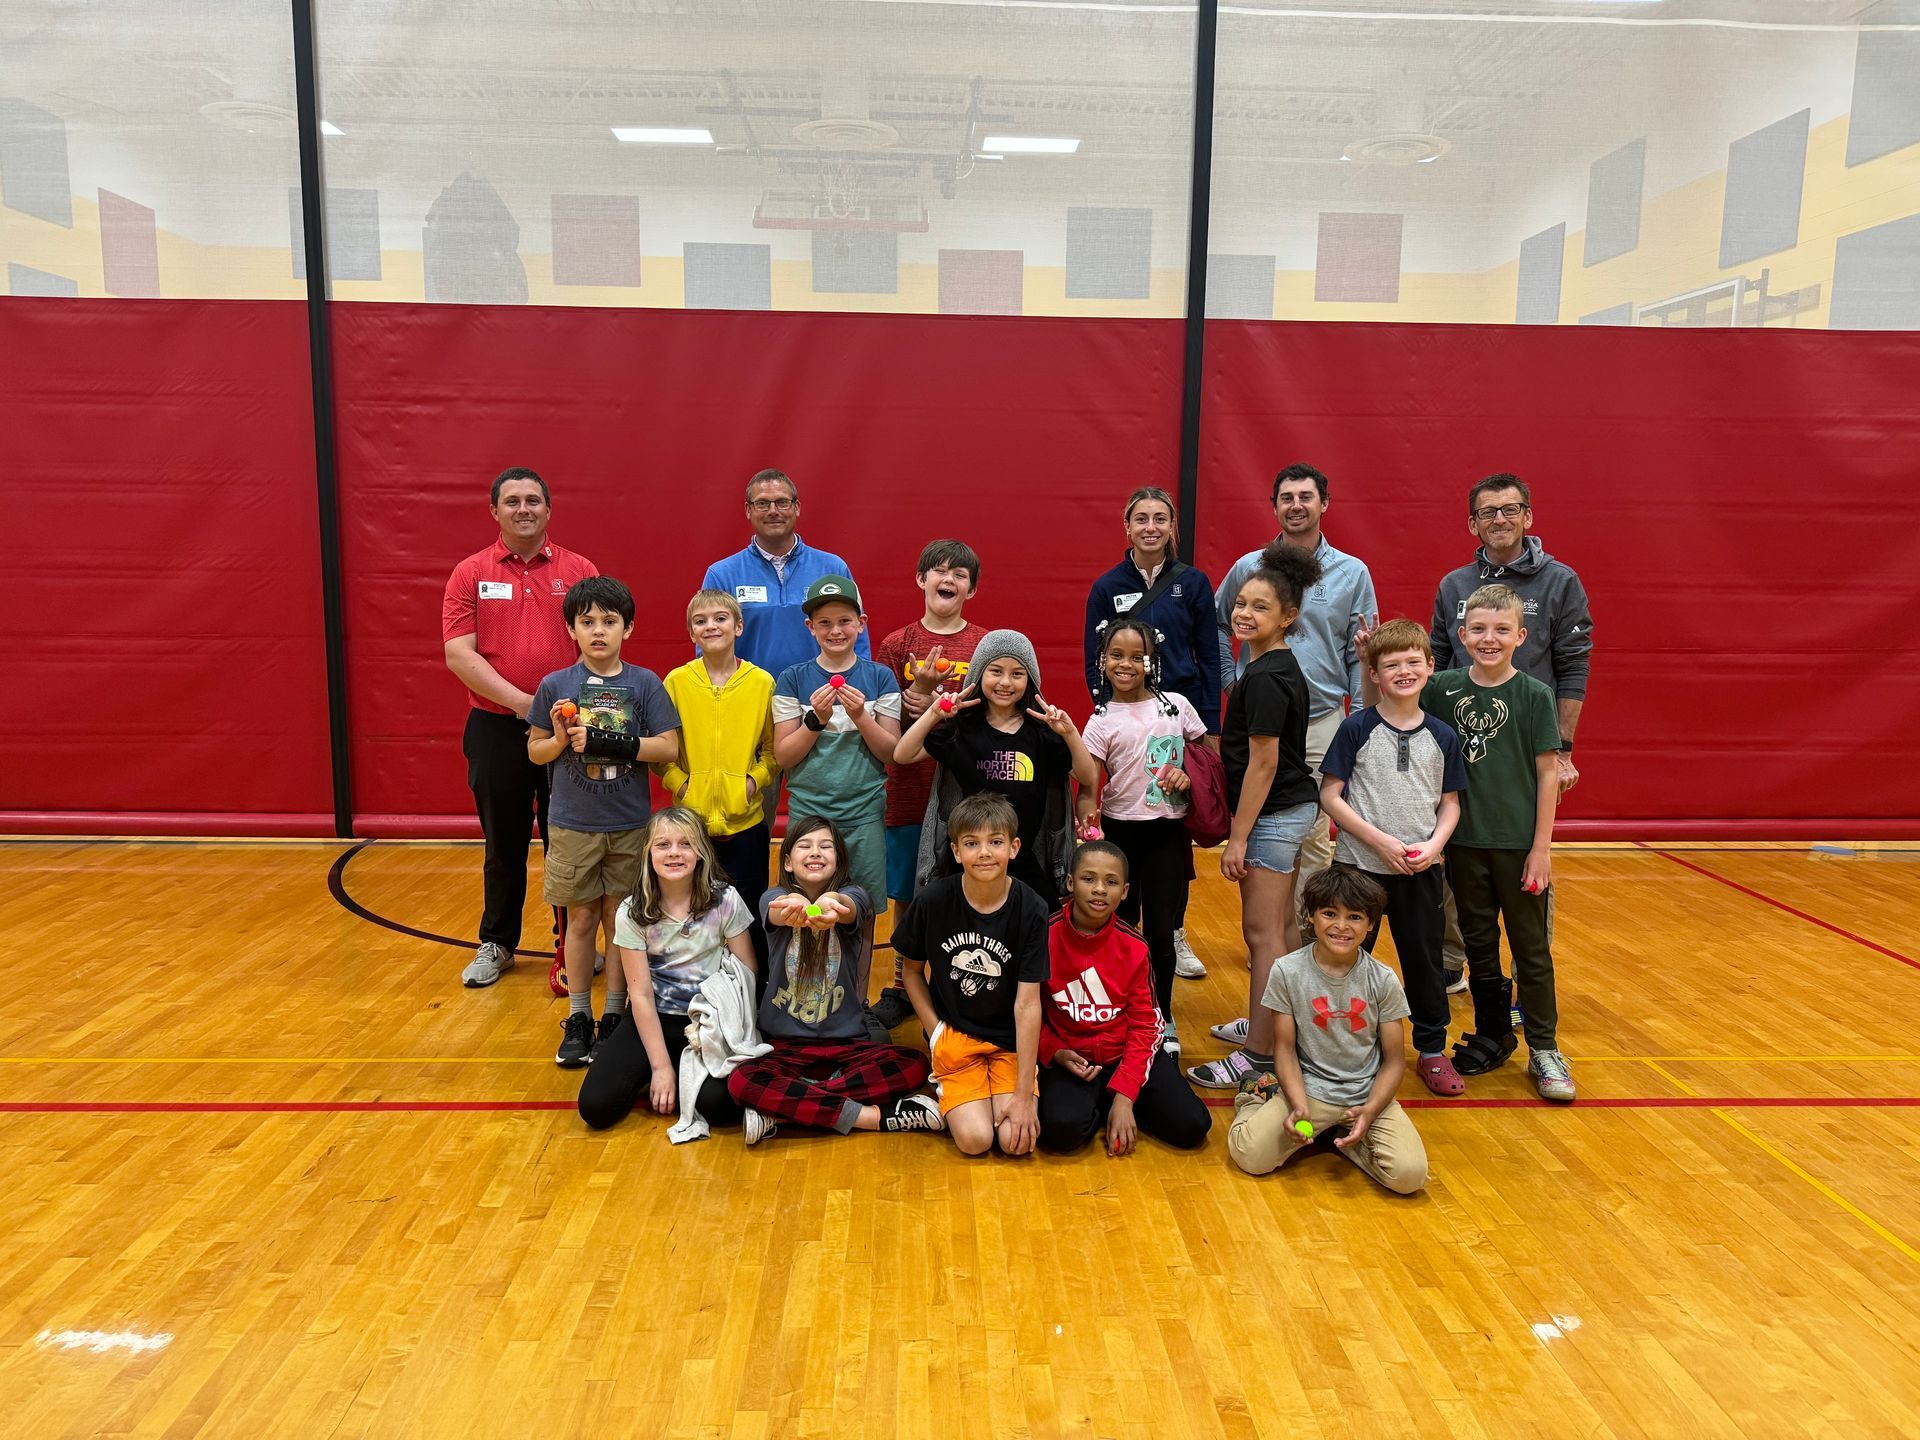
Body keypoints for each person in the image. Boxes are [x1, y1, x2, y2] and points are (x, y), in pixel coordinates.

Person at [1429, 473, 1594, 988]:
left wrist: (1562, 749)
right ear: (1472, 524)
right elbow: (1434, 662)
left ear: (1528, 516)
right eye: (1487, 512)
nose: (1499, 519)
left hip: (1527, 749)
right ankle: (1456, 964)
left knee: (1528, 862)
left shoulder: (1560, 581)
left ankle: (1528, 978)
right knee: (1453, 854)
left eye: (1509, 509)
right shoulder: (1453, 585)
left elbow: (1573, 667)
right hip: (1458, 750)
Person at [441, 466, 598, 989]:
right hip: (494, 727)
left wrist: (558, 712)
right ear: (495, 511)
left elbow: (598, 647)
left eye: (534, 500)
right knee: (503, 843)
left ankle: (569, 946)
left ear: (549, 510)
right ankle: (497, 942)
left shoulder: (579, 570)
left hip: (566, 730)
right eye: (513, 501)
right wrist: (524, 703)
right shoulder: (469, 573)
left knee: (568, 840)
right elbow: (459, 655)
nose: (524, 508)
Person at [1422, 584, 1575, 1103]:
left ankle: (1546, 1047)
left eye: (1502, 630)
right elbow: (1394, 704)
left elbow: (1548, 775)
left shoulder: (1534, 695)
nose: (1490, 639)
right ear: (1461, 635)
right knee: (1479, 945)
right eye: (1480, 630)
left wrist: (1542, 848)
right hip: (1464, 844)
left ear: (1520, 636)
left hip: (1518, 846)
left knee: (1531, 951)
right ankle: (1492, 1032)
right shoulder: (1440, 687)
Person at [526, 576, 681, 1067]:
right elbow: (535, 752)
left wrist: (610, 743)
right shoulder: (555, 685)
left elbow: (669, 748)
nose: (598, 631)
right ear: (571, 628)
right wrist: (558, 738)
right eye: (587, 622)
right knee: (580, 920)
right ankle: (578, 1016)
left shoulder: (644, 683)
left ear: (627, 628)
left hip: (630, 824)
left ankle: (615, 1014)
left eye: (609, 622)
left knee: (621, 922)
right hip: (572, 824)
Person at [1187, 542, 1323, 1091]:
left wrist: (1238, 838)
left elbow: (1263, 764)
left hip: (1273, 814)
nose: (1245, 613)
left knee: (1262, 934)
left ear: (1288, 616)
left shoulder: (1267, 676)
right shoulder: (1271, 664)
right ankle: (1277, 1026)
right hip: (1287, 810)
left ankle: (1259, 1055)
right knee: (1284, 930)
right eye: (1241, 603)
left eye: (1260, 607)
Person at [724, 817, 946, 1144]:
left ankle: (789, 1107)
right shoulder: (772, 896)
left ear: (839, 860)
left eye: (825, 846)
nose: (816, 852)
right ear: (787, 861)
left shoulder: (856, 895)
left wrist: (832, 906)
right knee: (741, 1080)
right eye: (805, 846)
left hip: (847, 1045)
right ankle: (872, 1117)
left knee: (913, 1065)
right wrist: (796, 906)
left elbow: (850, 907)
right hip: (786, 1045)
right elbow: (776, 909)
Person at [1319, 619, 1468, 1095]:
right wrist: (1381, 841)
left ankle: (1430, 1049)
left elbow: (1450, 803)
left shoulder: (1443, 735)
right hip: (1359, 868)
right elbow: (1331, 796)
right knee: (1345, 956)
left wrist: (1434, 845)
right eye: (1390, 664)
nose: (1403, 671)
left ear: (1429, 666)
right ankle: (1340, 1045)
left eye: (1412, 662)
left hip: (1421, 871)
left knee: (1424, 962)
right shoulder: (1356, 727)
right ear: (1375, 674)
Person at [1215, 463, 1377, 887]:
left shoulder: (1352, 572)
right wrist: (1232, 680)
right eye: (1286, 498)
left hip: (1322, 722)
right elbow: (1215, 623)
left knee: (1314, 835)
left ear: (1325, 503)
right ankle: (1270, 936)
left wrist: (1360, 718)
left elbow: (1360, 652)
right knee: (1256, 825)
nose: (1296, 505)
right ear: (1274, 508)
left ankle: (1309, 941)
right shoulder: (1249, 566)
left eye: (1306, 497)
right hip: (1260, 724)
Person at [1083, 486, 1222, 980]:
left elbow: (1210, 656)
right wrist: (1108, 710)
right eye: (1140, 518)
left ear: (1171, 528)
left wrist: (1209, 736)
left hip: (1177, 722)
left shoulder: (1195, 583)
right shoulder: (1106, 585)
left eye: (1160, 518)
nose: (1150, 527)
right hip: (1126, 722)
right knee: (1130, 851)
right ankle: (1126, 942)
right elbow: (1092, 659)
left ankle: (1174, 930)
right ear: (1127, 528)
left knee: (1172, 839)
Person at [1226, 867, 1429, 1195]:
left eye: (1355, 917)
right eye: (1330, 913)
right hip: (1308, 1091)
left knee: (1409, 1177)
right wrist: (1297, 1104)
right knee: (1250, 1157)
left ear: (1371, 924)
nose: (1341, 926)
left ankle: (1342, 1138)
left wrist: (1371, 1111)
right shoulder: (1287, 971)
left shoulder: (1383, 980)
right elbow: (1285, 1049)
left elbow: (1393, 1062)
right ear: (1311, 917)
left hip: (1365, 1096)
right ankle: (1253, 1098)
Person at [870, 540, 989, 1030]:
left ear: (972, 589)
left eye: (959, 574)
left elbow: (997, 704)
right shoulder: (897, 644)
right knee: (906, 895)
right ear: (920, 580)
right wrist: (915, 693)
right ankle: (903, 983)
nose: (948, 579)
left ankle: (949, 982)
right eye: (939, 571)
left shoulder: (985, 643)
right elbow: (884, 718)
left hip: (964, 790)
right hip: (908, 788)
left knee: (958, 886)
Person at [577, 808, 757, 1131]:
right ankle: (664, 1067)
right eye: (663, 845)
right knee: (595, 1106)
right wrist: (660, 1068)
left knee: (721, 1109)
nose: (674, 852)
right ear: (647, 853)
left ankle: (683, 1070)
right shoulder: (631, 912)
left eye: (685, 844)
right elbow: (642, 995)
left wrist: (736, 1034)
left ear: (701, 853)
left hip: (707, 1023)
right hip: (653, 1017)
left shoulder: (725, 899)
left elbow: (746, 975)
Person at [894, 794, 1050, 1157]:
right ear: (955, 850)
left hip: (1009, 1042)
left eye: (995, 842)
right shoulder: (933, 900)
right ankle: (940, 1096)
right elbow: (912, 972)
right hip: (956, 1037)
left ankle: (1002, 1092)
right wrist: (935, 1032)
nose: (984, 853)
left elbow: (1028, 1005)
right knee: (975, 1141)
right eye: (971, 843)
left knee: (1015, 1142)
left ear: (1013, 848)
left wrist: (1025, 1094)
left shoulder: (1032, 908)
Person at [894, 629, 1096, 907]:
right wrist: (934, 713)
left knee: (1046, 922)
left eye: (1017, 674)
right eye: (996, 671)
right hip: (970, 861)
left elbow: (1086, 776)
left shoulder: (1042, 733)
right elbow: (903, 754)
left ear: (1031, 680)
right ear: (978, 674)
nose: (1005, 682)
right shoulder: (961, 729)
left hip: (1022, 860)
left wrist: (1070, 733)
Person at [1078, 618, 1206, 1050]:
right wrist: (1088, 826)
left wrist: (1188, 775)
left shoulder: (1176, 707)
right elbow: (1089, 787)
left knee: (1161, 932)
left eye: (1137, 656)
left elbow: (1206, 759)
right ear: (1102, 661)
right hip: (1119, 836)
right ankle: (1121, 1009)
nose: (1126, 664)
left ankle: (1162, 1015)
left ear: (1153, 661)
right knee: (1122, 925)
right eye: (1116, 655)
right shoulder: (1099, 720)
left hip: (1168, 836)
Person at [1038, 841, 1211, 1156]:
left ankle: (1112, 1102)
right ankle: (1097, 1103)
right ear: (1070, 882)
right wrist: (1055, 1052)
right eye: (1089, 879)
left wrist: (1125, 1094)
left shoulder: (1134, 946)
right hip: (1072, 1059)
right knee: (1060, 1132)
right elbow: (1027, 1012)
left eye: (1112, 882)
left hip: (1126, 1054)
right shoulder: (1043, 937)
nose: (1100, 889)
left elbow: (1148, 1025)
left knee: (1193, 1126)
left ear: (1126, 891)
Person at [655, 589, 779, 966]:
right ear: (691, 632)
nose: (711, 626)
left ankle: (752, 994)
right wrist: (683, 785)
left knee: (747, 912)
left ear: (738, 626)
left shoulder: (761, 683)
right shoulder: (675, 682)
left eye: (720, 619)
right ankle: (693, 987)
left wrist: (752, 783)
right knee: (692, 910)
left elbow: (773, 752)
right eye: (700, 621)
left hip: (746, 825)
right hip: (691, 826)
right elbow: (662, 753)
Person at [770, 576, 902, 929]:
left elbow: (891, 753)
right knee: (806, 914)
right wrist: (816, 721)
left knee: (860, 911)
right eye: (824, 623)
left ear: (862, 624)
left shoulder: (881, 678)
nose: (836, 631)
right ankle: (807, 986)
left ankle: (854, 986)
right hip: (809, 815)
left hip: (864, 816)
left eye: (845, 621)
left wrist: (860, 716)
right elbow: (784, 756)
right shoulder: (792, 679)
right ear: (810, 627)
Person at [700, 468, 870, 686]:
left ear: (796, 507)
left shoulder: (833, 568)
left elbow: (858, 641)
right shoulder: (722, 575)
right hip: (750, 703)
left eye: (782, 502)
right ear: (748, 510)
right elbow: (708, 648)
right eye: (762, 504)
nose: (773, 511)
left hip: (821, 700)